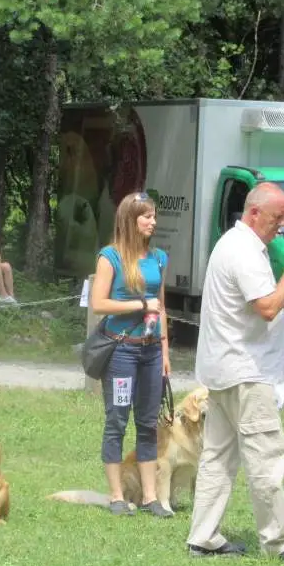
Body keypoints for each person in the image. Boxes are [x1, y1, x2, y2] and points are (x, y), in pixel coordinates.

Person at [186, 182, 284, 561]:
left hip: (224, 370)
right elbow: (268, 307)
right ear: (255, 212)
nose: (282, 225)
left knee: (217, 457)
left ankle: (203, 537)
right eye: (277, 217)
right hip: (247, 373)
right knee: (266, 456)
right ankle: (280, 542)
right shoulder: (244, 251)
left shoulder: (231, 243)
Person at [89, 192, 172, 518]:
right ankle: (116, 496)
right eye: (147, 216)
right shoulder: (109, 257)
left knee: (148, 423)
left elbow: (161, 307)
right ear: (130, 220)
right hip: (121, 351)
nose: (153, 222)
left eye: (154, 216)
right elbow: (99, 304)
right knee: (117, 421)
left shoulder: (159, 258)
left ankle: (150, 497)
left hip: (151, 352)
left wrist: (165, 352)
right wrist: (139, 304)